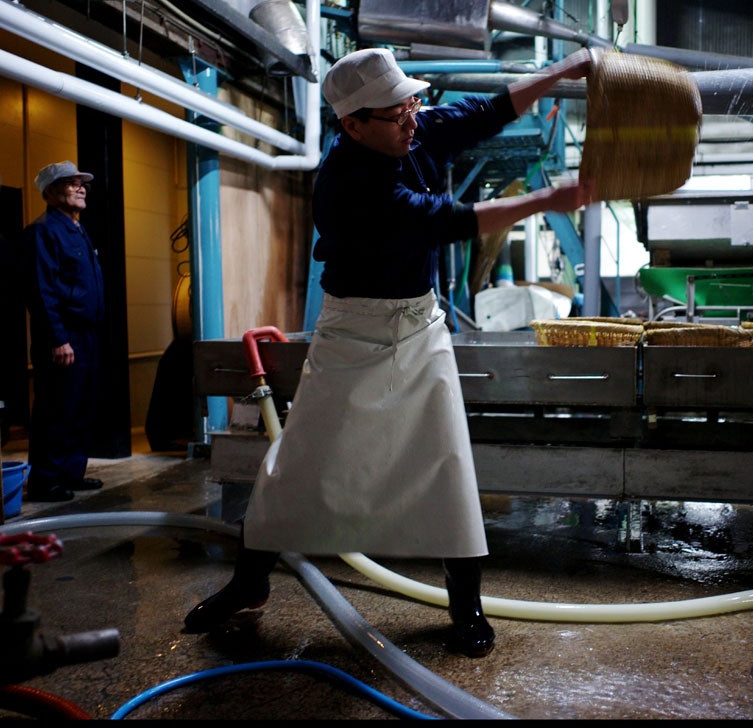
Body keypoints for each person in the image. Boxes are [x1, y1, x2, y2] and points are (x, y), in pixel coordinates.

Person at [184, 47, 594, 658]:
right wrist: (544, 202)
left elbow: (487, 112)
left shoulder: (409, 126)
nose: (411, 120)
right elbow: (438, 221)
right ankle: (249, 583)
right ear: (353, 125)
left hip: (420, 326)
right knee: (299, 463)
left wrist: (564, 70)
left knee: (447, 461)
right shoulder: (345, 184)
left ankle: (465, 603)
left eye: (412, 105)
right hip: (352, 331)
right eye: (397, 113)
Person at [22, 160, 105, 502]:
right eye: (71, 183)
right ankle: (45, 482)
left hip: (86, 335)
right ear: (51, 192)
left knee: (80, 406)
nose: (81, 188)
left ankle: (71, 473)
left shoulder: (77, 229)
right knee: (56, 409)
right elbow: (41, 290)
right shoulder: (43, 231)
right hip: (63, 336)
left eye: (82, 183)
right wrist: (59, 339)